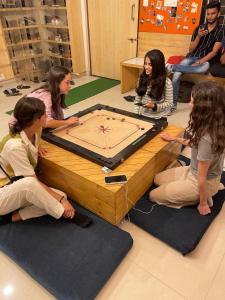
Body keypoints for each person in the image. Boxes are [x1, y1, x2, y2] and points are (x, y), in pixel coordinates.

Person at [149, 81, 225, 216]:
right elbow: (195, 144)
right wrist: (175, 139)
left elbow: (201, 177)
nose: (189, 104)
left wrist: (203, 203)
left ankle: (206, 195)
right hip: (194, 171)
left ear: (203, 108)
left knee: (153, 196)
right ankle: (211, 187)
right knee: (156, 180)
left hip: (201, 181)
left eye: (191, 101)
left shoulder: (207, 138)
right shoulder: (214, 123)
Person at [0, 97, 76, 225]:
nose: (47, 116)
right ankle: (61, 211)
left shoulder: (36, 130)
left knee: (59, 194)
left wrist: (36, 146)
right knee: (35, 187)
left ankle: (11, 218)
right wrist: (61, 201)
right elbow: (32, 182)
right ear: (36, 120)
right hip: (3, 192)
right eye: (44, 114)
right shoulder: (15, 146)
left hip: (16, 187)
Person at [167, 1, 224, 114]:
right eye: (208, 14)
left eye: (213, 13)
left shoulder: (221, 31)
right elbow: (190, 49)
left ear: (218, 14)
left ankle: (172, 67)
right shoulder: (199, 28)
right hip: (192, 56)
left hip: (206, 60)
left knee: (203, 68)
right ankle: (172, 106)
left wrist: (199, 62)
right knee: (177, 75)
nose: (210, 16)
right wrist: (198, 36)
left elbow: (213, 52)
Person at [134, 49, 173, 118]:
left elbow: (169, 103)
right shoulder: (141, 78)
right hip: (142, 115)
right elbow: (137, 99)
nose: (146, 67)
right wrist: (135, 115)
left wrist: (154, 106)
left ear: (158, 66)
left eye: (150, 65)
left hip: (159, 117)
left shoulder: (167, 82)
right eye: (145, 63)